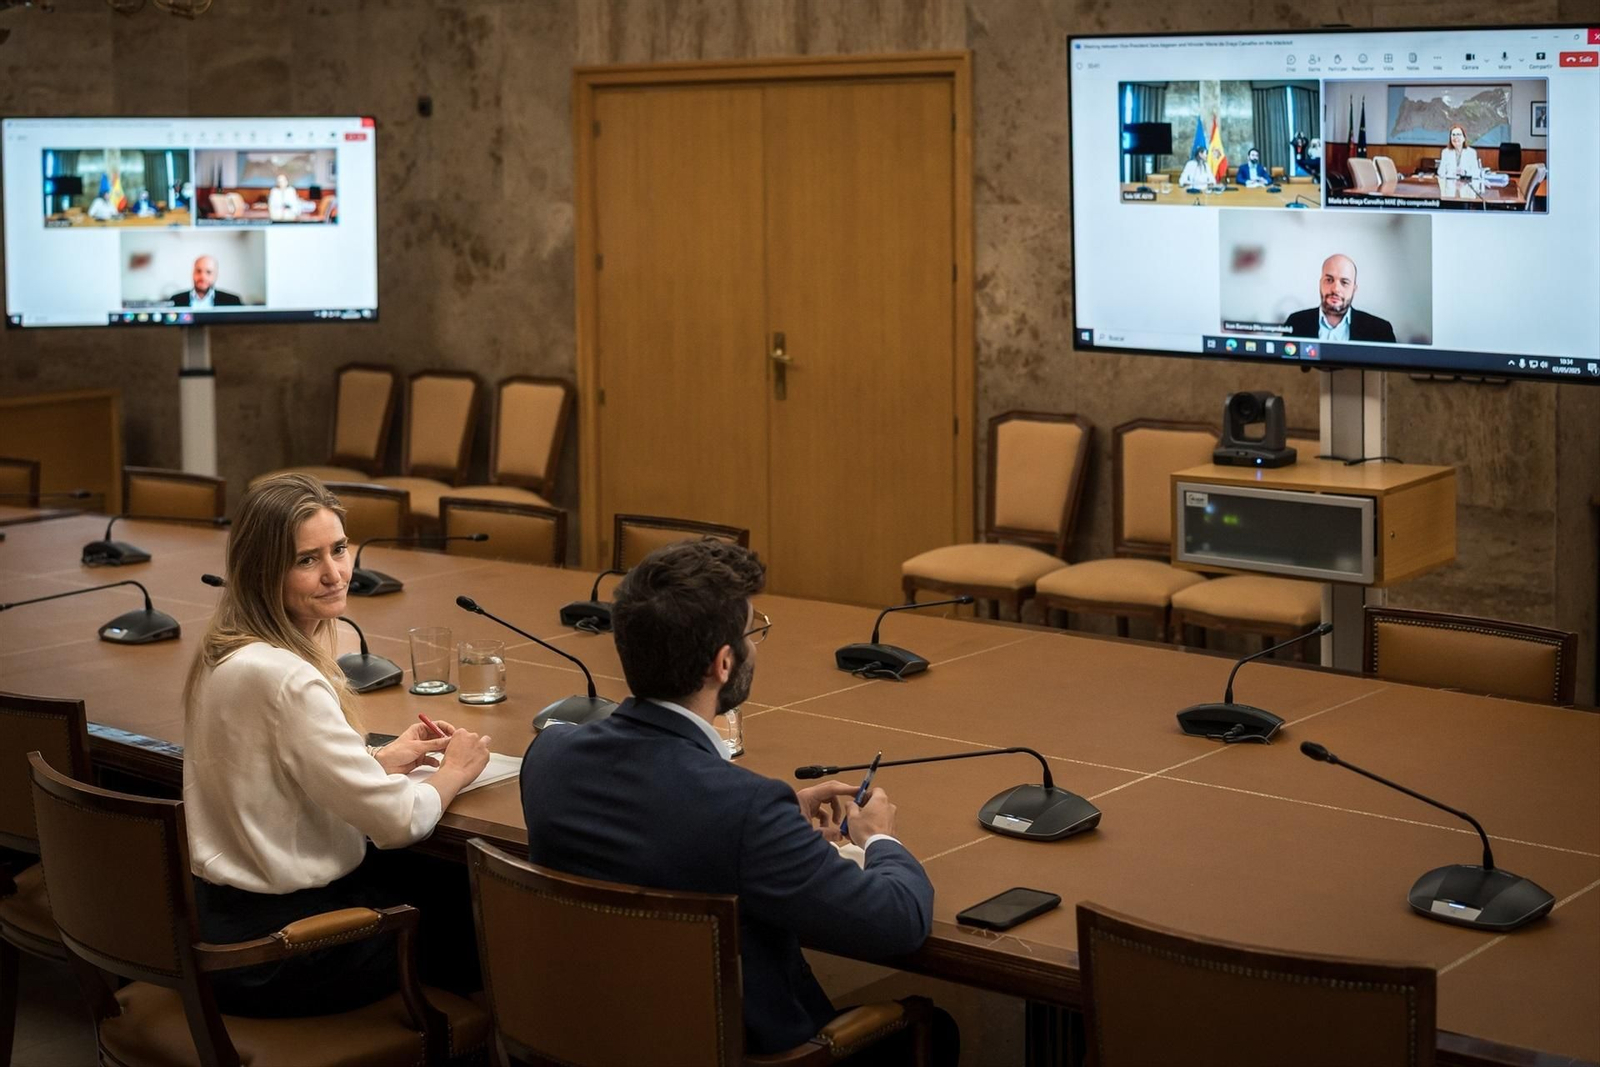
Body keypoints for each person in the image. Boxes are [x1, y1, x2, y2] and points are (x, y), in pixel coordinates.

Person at [521, 539, 953, 1061]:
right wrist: (879, 837)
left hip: (588, 1038)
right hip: (735, 1051)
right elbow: (897, 922)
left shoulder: (549, 755)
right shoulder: (745, 810)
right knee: (937, 1030)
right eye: (753, 632)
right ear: (723, 663)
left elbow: (660, 822)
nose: (756, 645)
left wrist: (776, 825)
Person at [182, 473, 492, 1015]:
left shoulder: (227, 648)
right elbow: (397, 823)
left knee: (434, 886)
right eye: (308, 560)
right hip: (282, 950)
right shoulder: (286, 677)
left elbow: (270, 779)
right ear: (263, 569)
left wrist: (376, 761)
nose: (336, 574)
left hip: (223, 924)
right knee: (477, 909)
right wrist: (455, 772)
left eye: (340, 550)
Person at [1283, 253, 1396, 343]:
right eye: (1329, 280)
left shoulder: (1380, 330)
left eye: (1344, 282)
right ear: (1320, 283)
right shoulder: (1295, 323)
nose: (1336, 289)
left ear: (1354, 289)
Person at [169, 254, 243, 307]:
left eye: (208, 272)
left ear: (216, 276)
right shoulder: (175, 300)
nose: (202, 277)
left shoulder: (232, 301)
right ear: (192, 273)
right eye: (198, 271)